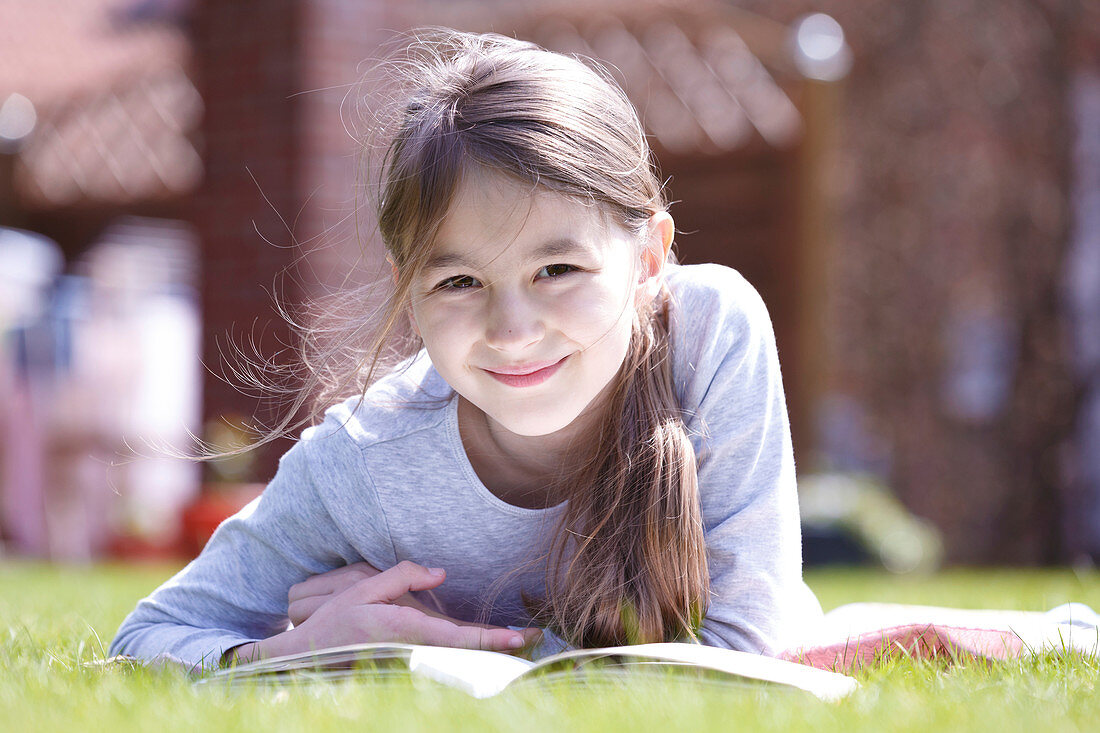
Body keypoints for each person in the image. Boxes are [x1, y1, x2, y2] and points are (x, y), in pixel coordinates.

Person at [109, 28, 821, 672]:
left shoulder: (707, 331)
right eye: (459, 280)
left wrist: (444, 641)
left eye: (557, 269)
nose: (511, 329)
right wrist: (294, 649)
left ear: (649, 258)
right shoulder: (364, 460)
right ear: (408, 290)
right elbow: (148, 638)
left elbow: (743, 658)